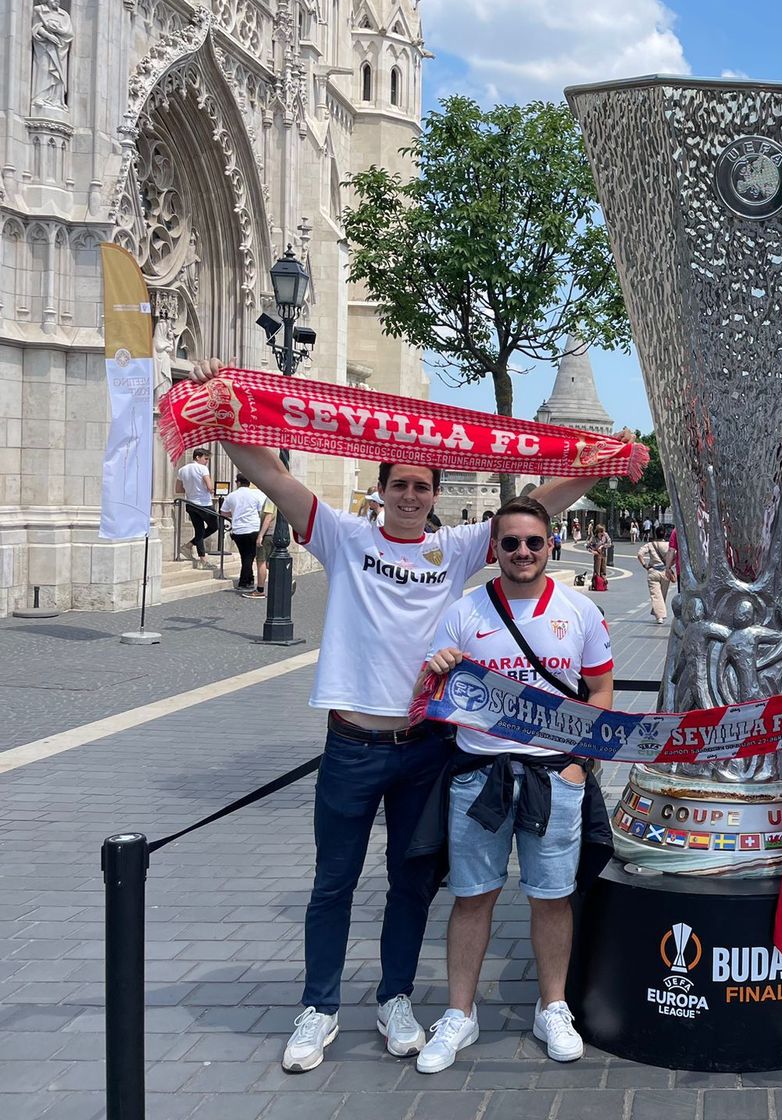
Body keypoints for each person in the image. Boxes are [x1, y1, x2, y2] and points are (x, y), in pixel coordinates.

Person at [182, 358, 606, 1074]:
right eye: (399, 484)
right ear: (379, 493)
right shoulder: (346, 537)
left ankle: (396, 997)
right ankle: (318, 1008)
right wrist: (213, 416)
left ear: (437, 495)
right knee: (334, 883)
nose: (410, 494)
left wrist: (603, 462)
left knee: (412, 883)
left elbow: (541, 506)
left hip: (426, 750)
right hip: (353, 744)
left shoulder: (456, 548)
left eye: (422, 485)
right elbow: (274, 479)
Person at [412, 498, 615, 1071]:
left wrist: (581, 764)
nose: (523, 552)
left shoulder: (580, 611)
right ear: (494, 549)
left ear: (551, 545)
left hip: (555, 776)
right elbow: (431, 697)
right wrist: (439, 669)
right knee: (472, 896)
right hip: (481, 776)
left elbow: (600, 693)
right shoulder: (463, 612)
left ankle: (552, 1005)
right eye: (510, 543)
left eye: (533, 542)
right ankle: (459, 1012)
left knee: (552, 896)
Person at [220, 472, 268, 592]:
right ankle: (245, 581)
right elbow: (261, 511)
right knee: (249, 556)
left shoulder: (231, 496)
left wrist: (235, 514)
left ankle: (248, 579)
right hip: (253, 528)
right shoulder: (256, 494)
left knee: (245, 555)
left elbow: (223, 512)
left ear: (238, 482)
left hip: (238, 529)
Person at [176, 448, 217, 565]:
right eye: (206, 458)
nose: (207, 462)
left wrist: (191, 489)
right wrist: (211, 490)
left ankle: (199, 555)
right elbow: (209, 486)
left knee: (199, 530)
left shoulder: (182, 470)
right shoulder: (202, 468)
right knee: (215, 526)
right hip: (204, 504)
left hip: (191, 503)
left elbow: (178, 489)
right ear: (197, 457)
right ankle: (197, 553)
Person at [638, 528, 674, 624]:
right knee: (662, 594)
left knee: (656, 595)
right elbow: (675, 555)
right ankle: (660, 614)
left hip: (653, 571)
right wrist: (669, 565)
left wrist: (645, 565)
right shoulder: (668, 545)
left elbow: (640, 554)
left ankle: (659, 616)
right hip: (665, 572)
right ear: (665, 534)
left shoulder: (650, 545)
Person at [587, 524, 612, 592]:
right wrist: (593, 551)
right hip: (597, 554)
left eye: (603, 532)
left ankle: (603, 583)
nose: (603, 533)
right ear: (598, 532)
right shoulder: (594, 538)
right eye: (601, 532)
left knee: (603, 569)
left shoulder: (605, 535)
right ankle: (596, 584)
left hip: (603, 553)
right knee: (597, 569)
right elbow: (588, 546)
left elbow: (609, 543)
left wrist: (603, 546)